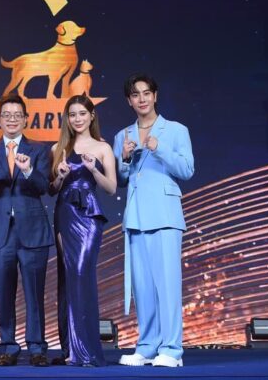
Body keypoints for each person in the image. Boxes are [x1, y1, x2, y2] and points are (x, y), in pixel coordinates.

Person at [113, 74, 194, 368]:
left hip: (165, 216)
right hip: (136, 217)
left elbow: (187, 169)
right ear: (129, 100)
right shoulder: (123, 135)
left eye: (146, 93)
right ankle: (147, 347)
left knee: (167, 287)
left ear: (155, 96)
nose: (142, 99)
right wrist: (124, 158)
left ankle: (172, 349)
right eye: (136, 94)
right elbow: (121, 179)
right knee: (143, 288)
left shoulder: (175, 130)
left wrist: (160, 148)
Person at [0, 93, 53, 367]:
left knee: (35, 293)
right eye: (6, 115)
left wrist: (29, 170)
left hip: (32, 231)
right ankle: (8, 346)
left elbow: (44, 187)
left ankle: (37, 347)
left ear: (25, 119)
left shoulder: (39, 150)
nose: (11, 119)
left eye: (17, 115)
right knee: (4, 293)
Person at [49, 95, 116, 367]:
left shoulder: (103, 147)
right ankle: (71, 349)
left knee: (81, 275)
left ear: (91, 116)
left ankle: (86, 349)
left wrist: (93, 170)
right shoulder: (58, 147)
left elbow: (111, 187)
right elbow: (52, 188)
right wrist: (61, 176)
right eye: (72, 114)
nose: (77, 119)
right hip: (64, 214)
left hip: (89, 217)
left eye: (82, 113)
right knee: (68, 278)